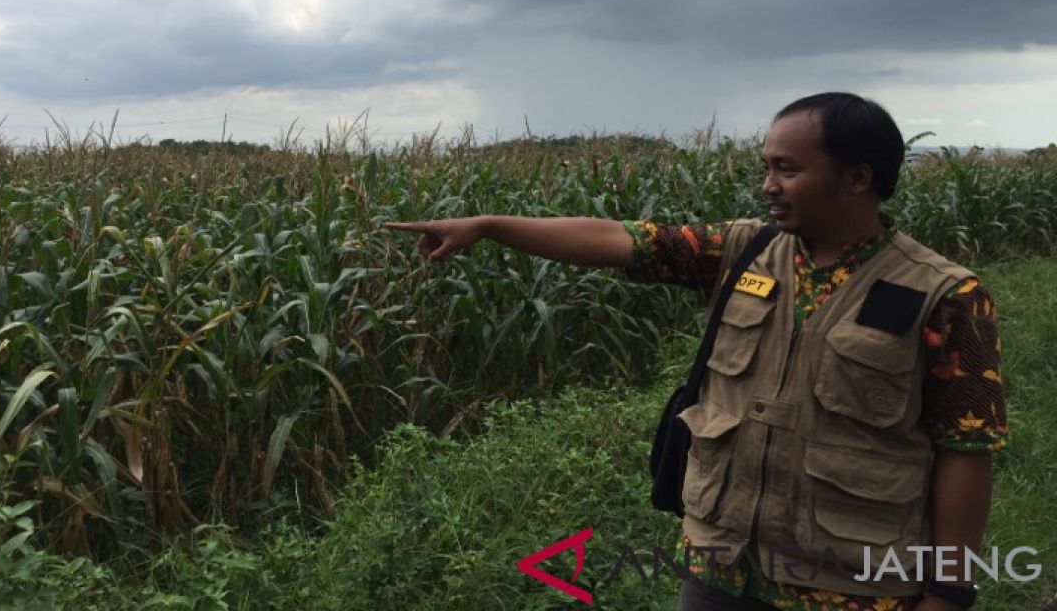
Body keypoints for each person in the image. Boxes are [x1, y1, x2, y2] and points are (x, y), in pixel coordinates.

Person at [385, 93, 1007, 610]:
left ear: (857, 177)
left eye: (787, 169)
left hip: (850, 580)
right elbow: (619, 238)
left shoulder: (946, 295)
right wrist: (490, 226)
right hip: (719, 562)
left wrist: (949, 589)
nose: (768, 185)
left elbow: (967, 447)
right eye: (766, 166)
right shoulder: (742, 251)